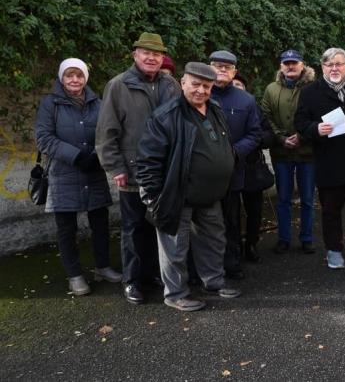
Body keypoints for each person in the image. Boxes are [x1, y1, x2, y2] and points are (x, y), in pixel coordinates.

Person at [136, 62, 241, 312]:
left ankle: (213, 281)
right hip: (177, 195)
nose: (201, 90)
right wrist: (152, 195)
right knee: (174, 248)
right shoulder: (166, 115)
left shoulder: (215, 109)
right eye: (195, 84)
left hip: (212, 195)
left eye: (206, 86)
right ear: (183, 83)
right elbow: (148, 159)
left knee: (214, 241)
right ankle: (175, 294)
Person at [96, 32, 179, 305]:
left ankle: (153, 274)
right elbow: (107, 131)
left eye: (157, 54)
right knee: (133, 228)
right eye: (146, 53)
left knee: (160, 224)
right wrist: (115, 167)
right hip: (132, 172)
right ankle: (132, 281)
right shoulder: (118, 85)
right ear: (135, 55)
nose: (152, 58)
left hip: (165, 170)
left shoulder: (171, 84)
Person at [34, 58, 122, 295]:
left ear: (86, 78)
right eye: (69, 75)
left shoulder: (98, 103)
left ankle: (102, 267)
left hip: (93, 171)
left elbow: (109, 131)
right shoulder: (50, 104)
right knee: (66, 229)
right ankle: (75, 275)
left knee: (100, 224)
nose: (75, 80)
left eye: (79, 75)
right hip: (63, 174)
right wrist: (75, 156)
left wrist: (96, 154)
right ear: (61, 78)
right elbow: (43, 137)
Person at [294, 48, 345, 269]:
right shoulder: (310, 91)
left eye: (339, 64)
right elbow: (300, 122)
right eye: (329, 65)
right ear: (322, 68)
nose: (334, 68)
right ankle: (333, 249)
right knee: (331, 210)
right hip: (329, 161)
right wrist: (315, 128)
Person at [208, 51, 262, 279]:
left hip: (232, 170)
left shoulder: (246, 100)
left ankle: (231, 263)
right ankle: (203, 268)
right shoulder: (200, 93)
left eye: (227, 67)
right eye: (217, 65)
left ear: (234, 72)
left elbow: (255, 133)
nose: (222, 69)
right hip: (202, 173)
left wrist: (235, 151)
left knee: (230, 219)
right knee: (202, 222)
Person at [261, 50, 317, 255]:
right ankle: (283, 238)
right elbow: (265, 117)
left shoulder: (314, 87)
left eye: (294, 63)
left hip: (307, 151)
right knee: (283, 198)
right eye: (286, 63)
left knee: (308, 199)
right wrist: (282, 138)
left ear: (302, 66)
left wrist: (301, 137)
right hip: (281, 151)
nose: (290, 66)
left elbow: (319, 115)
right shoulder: (271, 89)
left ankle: (307, 238)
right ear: (281, 67)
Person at [233, 73, 276, 263]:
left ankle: (251, 244)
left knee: (255, 211)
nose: (235, 87)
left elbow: (269, 135)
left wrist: (254, 140)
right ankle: (233, 246)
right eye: (232, 84)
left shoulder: (253, 108)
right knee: (231, 212)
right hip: (229, 168)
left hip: (252, 167)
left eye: (239, 85)